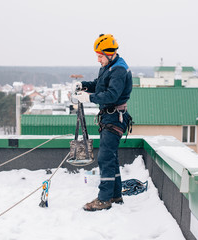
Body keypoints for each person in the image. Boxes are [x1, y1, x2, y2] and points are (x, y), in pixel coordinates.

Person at [72, 34, 133, 211]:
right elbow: (100, 85)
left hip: (115, 117)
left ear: (110, 53)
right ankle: (115, 195)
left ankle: (104, 199)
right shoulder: (110, 66)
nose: (98, 60)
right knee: (111, 157)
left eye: (100, 56)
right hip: (109, 116)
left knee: (105, 157)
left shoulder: (119, 70)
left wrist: (89, 97)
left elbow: (111, 95)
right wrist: (83, 85)